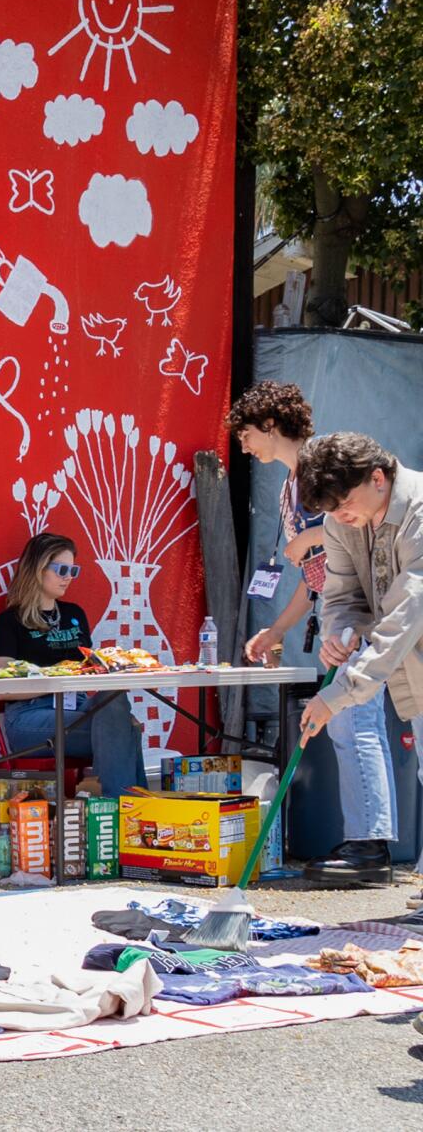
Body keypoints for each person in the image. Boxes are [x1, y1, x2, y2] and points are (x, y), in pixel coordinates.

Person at [231, 383, 397, 887]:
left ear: (269, 425)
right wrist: (276, 629)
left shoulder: (321, 469)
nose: (243, 447)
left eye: (244, 434)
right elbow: (314, 576)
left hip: (361, 610)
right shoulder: (289, 485)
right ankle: (366, 839)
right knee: (348, 723)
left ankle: (371, 846)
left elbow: (361, 523)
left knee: (354, 719)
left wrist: (311, 534)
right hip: (335, 606)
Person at [296, 433, 423, 912]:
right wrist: (341, 631)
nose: (342, 516)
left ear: (378, 476)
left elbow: (404, 619)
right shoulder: (339, 520)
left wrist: (338, 694)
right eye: (332, 510)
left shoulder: (420, 513)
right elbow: (342, 594)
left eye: (346, 503)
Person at [0, 532, 146, 794]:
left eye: (73, 570)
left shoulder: (74, 614)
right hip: (30, 715)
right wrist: (57, 678)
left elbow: (89, 668)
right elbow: (2, 688)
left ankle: (125, 810)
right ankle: (127, 812)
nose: (68, 577)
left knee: (114, 696)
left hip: (78, 704)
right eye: (61, 569)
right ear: (38, 569)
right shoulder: (11, 621)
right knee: (126, 729)